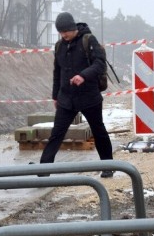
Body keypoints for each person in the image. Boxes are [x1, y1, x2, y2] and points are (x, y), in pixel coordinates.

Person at [40, 11, 115, 178]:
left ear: (73, 28)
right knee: (57, 133)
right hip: (66, 98)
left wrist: (83, 75)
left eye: (66, 31)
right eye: (61, 32)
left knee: (98, 130)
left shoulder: (88, 40)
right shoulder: (59, 46)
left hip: (89, 96)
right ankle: (43, 170)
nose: (64, 35)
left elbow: (100, 64)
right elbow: (57, 72)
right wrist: (55, 96)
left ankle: (108, 165)